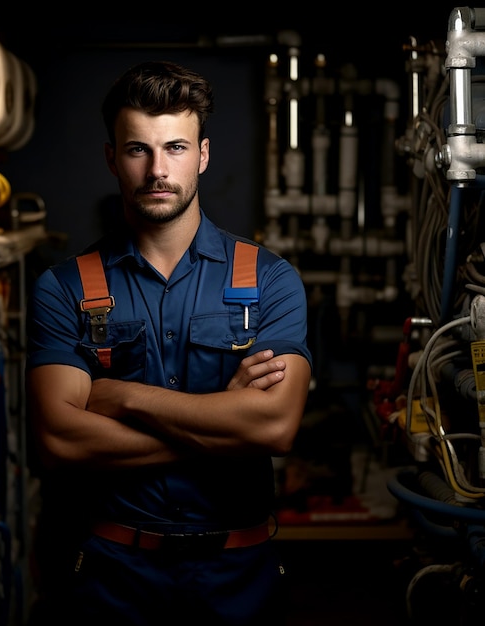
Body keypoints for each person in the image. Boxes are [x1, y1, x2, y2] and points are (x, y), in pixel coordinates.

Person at [25, 60, 312, 625]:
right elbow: (58, 441)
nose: (158, 169)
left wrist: (124, 398)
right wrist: (226, 427)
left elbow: (275, 427)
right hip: (112, 579)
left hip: (240, 578)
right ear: (112, 157)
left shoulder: (271, 280)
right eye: (138, 150)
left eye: (175, 148)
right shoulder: (64, 288)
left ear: (202, 155)